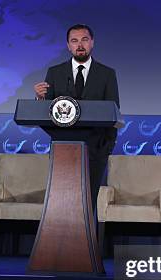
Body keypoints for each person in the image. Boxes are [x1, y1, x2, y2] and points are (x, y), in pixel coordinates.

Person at [34, 23, 119, 202]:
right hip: (62, 149)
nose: (80, 45)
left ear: (92, 42)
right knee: (62, 201)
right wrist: (40, 99)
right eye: (74, 41)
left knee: (89, 202)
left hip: (96, 150)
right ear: (68, 45)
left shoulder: (107, 74)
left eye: (84, 40)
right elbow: (48, 112)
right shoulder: (55, 72)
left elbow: (114, 113)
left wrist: (107, 147)